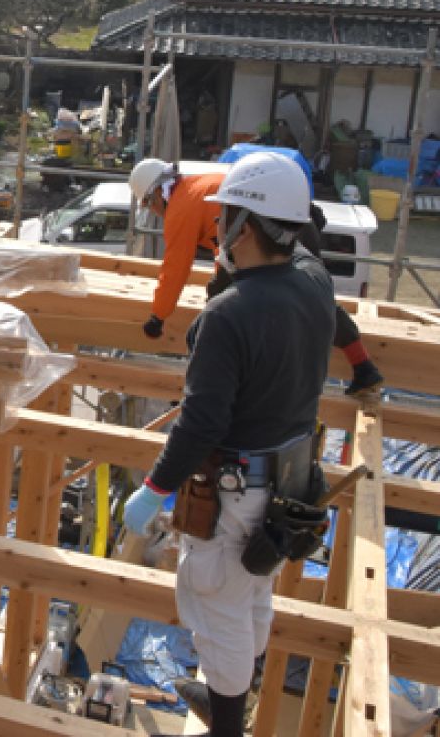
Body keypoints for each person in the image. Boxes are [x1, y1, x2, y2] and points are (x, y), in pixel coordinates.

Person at [123, 152, 335, 736]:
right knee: (253, 591)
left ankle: (226, 724)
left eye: (226, 217)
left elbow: (200, 423)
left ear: (245, 225)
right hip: (290, 480)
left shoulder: (229, 315)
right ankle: (230, 692)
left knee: (216, 602)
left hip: (239, 492)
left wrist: (154, 488)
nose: (218, 228)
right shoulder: (316, 283)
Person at [130, 157, 382, 395]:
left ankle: (218, 378)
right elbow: (225, 249)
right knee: (313, 298)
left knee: (222, 307)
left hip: (273, 232)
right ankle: (364, 367)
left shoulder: (181, 206)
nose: (155, 212)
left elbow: (176, 266)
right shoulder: (197, 186)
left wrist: (158, 316)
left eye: (150, 205)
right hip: (297, 223)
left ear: (155, 196)